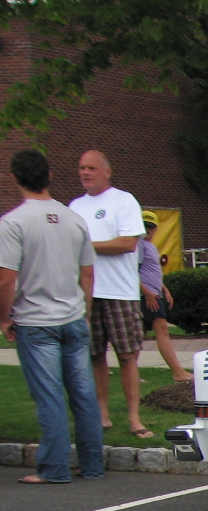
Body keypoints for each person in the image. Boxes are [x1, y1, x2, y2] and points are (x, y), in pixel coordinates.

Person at [0, 149, 105, 484]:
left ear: (14, 178)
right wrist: (85, 312)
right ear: (49, 176)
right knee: (84, 395)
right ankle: (92, 464)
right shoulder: (74, 218)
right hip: (73, 317)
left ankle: (54, 467)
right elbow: (87, 273)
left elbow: (6, 278)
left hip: (35, 320)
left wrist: (5, 318)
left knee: (49, 395)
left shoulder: (13, 222)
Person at [68, 149, 151, 438]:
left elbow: (128, 243)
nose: (85, 172)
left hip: (120, 292)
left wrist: (86, 245)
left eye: (91, 168)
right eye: (81, 168)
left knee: (127, 356)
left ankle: (135, 419)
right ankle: (102, 415)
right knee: (94, 355)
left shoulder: (123, 201)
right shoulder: (75, 206)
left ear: (107, 171)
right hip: (87, 292)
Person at [137, 210, 192, 381]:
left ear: (155, 229)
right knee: (162, 330)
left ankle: (131, 373)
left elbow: (151, 272)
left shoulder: (150, 246)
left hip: (155, 293)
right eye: (144, 226)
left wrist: (164, 289)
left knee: (138, 335)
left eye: (150, 226)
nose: (147, 230)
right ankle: (178, 372)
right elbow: (131, 273)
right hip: (148, 296)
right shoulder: (138, 246)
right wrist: (147, 294)